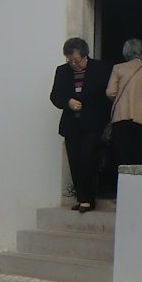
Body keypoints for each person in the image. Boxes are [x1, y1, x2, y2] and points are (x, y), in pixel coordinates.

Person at [49, 37, 111, 212]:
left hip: (92, 123)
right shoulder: (62, 71)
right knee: (74, 160)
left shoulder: (101, 69)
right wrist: (68, 102)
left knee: (88, 158)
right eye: (70, 60)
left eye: (76, 60)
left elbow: (106, 97)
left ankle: (89, 199)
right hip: (71, 124)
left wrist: (89, 106)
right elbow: (55, 96)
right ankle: (82, 197)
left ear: (85, 56)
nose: (74, 64)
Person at [105, 38, 142, 173]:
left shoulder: (118, 69)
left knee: (122, 160)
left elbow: (110, 92)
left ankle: (122, 190)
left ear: (126, 53)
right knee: (140, 160)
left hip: (122, 119)